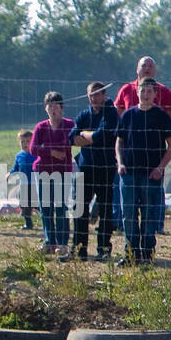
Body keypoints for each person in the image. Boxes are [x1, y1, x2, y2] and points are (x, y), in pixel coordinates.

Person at [115, 78, 171, 266]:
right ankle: (131, 254)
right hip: (129, 174)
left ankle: (148, 253)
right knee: (129, 215)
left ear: (155, 93)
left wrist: (160, 167)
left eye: (149, 91)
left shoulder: (161, 116)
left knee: (149, 215)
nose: (145, 94)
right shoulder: (128, 115)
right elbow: (119, 141)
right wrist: (120, 163)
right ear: (137, 92)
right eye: (142, 91)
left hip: (152, 175)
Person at [71, 81, 120, 261]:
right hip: (85, 168)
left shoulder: (111, 113)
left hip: (105, 168)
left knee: (105, 210)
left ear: (104, 95)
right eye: (91, 94)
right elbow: (71, 137)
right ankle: (79, 249)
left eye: (98, 94)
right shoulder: (84, 114)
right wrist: (91, 137)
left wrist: (85, 135)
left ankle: (104, 249)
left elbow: (104, 135)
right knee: (79, 208)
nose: (94, 97)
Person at [31, 91, 77, 259]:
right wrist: (51, 151)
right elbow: (33, 149)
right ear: (45, 108)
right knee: (46, 208)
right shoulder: (41, 127)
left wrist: (47, 149)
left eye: (56, 105)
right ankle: (50, 241)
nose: (52, 109)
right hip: (42, 171)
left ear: (62, 107)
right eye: (49, 105)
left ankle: (63, 242)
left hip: (62, 172)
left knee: (61, 207)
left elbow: (68, 145)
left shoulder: (69, 125)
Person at [115, 56, 171, 125]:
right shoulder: (126, 89)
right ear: (137, 69)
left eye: (150, 66)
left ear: (154, 71)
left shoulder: (164, 91)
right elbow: (117, 117)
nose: (147, 68)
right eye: (143, 65)